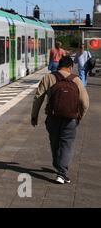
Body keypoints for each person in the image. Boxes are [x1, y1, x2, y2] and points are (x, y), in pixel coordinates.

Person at [31, 56, 89, 184]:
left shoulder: (48, 78)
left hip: (53, 117)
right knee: (66, 144)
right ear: (70, 67)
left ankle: (57, 165)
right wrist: (80, 116)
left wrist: (34, 116)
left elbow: (38, 98)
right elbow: (85, 103)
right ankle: (62, 173)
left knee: (55, 142)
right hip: (71, 119)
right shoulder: (76, 80)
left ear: (58, 66)